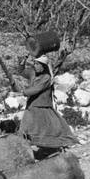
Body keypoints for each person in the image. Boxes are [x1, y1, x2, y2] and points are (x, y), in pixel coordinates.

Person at [17, 30, 78, 160]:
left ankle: (52, 149)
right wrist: (21, 63)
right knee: (28, 128)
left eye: (38, 64)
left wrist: (23, 92)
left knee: (47, 129)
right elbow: (22, 72)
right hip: (33, 106)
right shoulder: (34, 73)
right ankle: (28, 150)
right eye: (35, 64)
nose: (36, 66)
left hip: (42, 106)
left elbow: (36, 89)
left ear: (44, 66)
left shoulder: (46, 78)